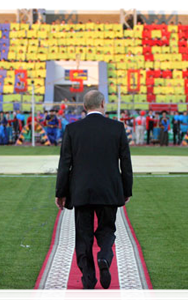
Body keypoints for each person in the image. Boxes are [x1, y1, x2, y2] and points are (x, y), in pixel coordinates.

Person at [55, 90, 133, 292]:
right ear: (103, 104)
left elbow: (65, 164)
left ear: (84, 107)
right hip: (109, 190)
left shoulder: (73, 129)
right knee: (107, 229)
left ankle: (88, 279)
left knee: (83, 236)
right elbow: (126, 162)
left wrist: (61, 192)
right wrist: (127, 189)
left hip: (82, 191)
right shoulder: (117, 128)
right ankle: (104, 256)